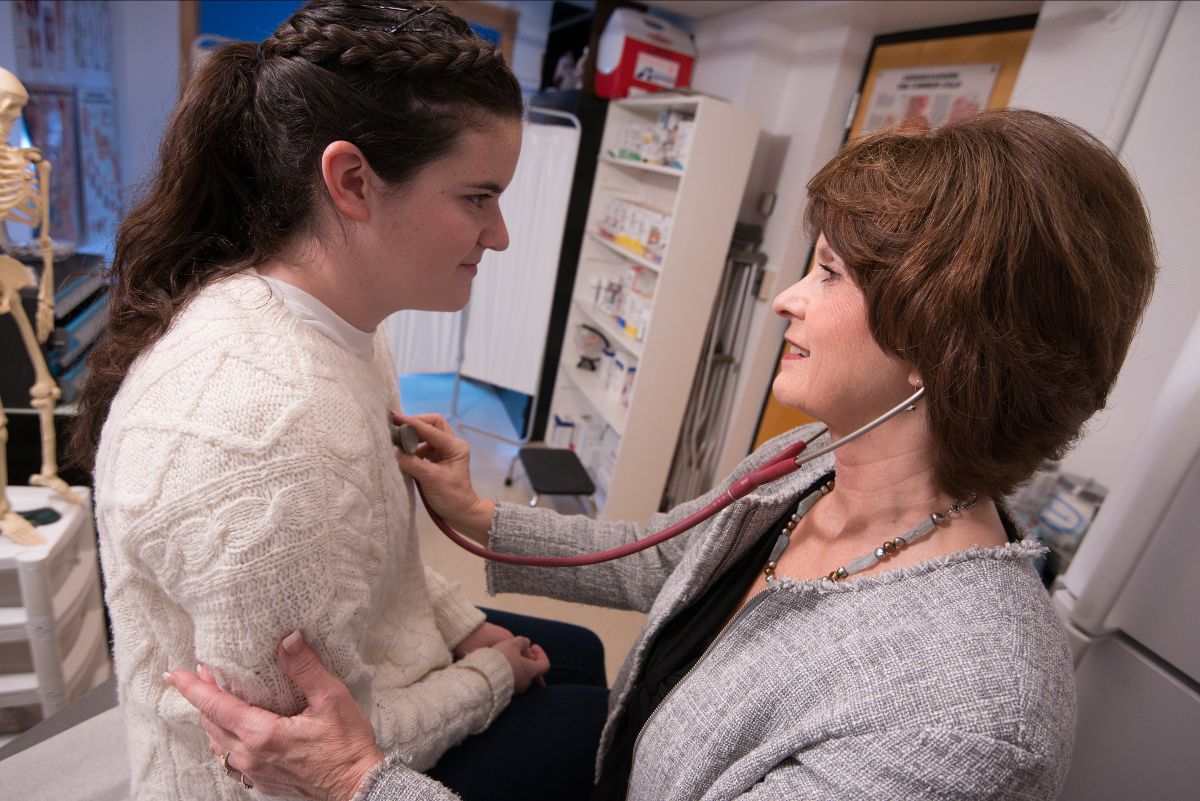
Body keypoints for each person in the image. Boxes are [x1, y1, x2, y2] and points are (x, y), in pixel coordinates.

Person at [169, 108, 1158, 800]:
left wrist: (357, 783)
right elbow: (672, 556)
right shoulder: (820, 456)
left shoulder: (967, 714)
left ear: (946, 338)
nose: (784, 300)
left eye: (829, 273)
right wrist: (476, 517)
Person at [72, 2, 609, 800]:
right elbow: (304, 763)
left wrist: (464, 625)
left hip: (376, 673)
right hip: (275, 782)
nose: (499, 235)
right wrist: (488, 675)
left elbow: (385, 561)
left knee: (583, 653)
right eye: (476, 197)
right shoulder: (267, 439)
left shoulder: (345, 324)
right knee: (600, 724)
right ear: (353, 181)